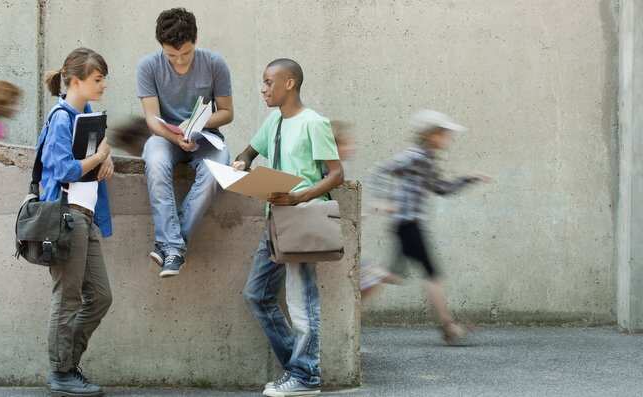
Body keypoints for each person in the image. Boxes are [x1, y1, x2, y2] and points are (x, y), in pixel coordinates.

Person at [232, 58, 344, 397]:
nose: (263, 88)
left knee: (301, 300)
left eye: (269, 82)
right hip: (274, 222)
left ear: (290, 83)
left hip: (300, 219)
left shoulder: (314, 123)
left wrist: (299, 197)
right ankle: (299, 370)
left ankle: (306, 378)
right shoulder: (274, 123)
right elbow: (249, 152)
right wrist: (242, 162)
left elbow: (336, 175)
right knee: (257, 294)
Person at [365, 109, 489, 344]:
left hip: (408, 224)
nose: (449, 139)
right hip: (407, 223)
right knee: (432, 274)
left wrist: (469, 178)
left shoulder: (427, 159)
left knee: (395, 275)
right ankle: (448, 327)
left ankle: (366, 277)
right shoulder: (415, 156)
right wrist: (381, 200)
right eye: (445, 134)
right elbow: (380, 170)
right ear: (431, 135)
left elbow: (441, 188)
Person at [38, 47, 115, 397]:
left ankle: (68, 364)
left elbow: (88, 167)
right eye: (97, 80)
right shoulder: (61, 117)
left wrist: (105, 163)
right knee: (67, 297)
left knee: (99, 296)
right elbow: (61, 168)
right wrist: (98, 157)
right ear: (76, 80)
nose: (102, 86)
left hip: (86, 216)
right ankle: (61, 371)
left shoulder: (88, 116)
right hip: (66, 217)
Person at [136, 7, 233, 277]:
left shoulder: (215, 64)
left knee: (219, 168)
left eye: (186, 54)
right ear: (161, 47)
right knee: (154, 161)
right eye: (172, 56)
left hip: (206, 138)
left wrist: (197, 126)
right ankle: (175, 247)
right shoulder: (148, 67)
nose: (179, 62)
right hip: (165, 138)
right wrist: (176, 136)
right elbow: (153, 119)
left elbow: (227, 112)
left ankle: (169, 246)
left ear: (196, 41)